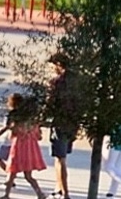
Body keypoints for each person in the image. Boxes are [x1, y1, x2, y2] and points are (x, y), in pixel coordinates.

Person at [0, 93, 47, 199]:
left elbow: (10, 130)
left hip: (18, 147)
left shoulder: (14, 116)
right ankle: (40, 194)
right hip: (30, 149)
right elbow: (39, 136)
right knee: (28, 176)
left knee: (12, 172)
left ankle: (6, 195)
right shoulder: (31, 119)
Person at [46, 53, 78, 199]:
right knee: (61, 157)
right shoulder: (77, 80)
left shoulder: (58, 82)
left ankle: (65, 193)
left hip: (60, 122)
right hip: (73, 123)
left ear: (59, 64)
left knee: (60, 159)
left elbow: (50, 103)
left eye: (54, 65)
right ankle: (58, 187)